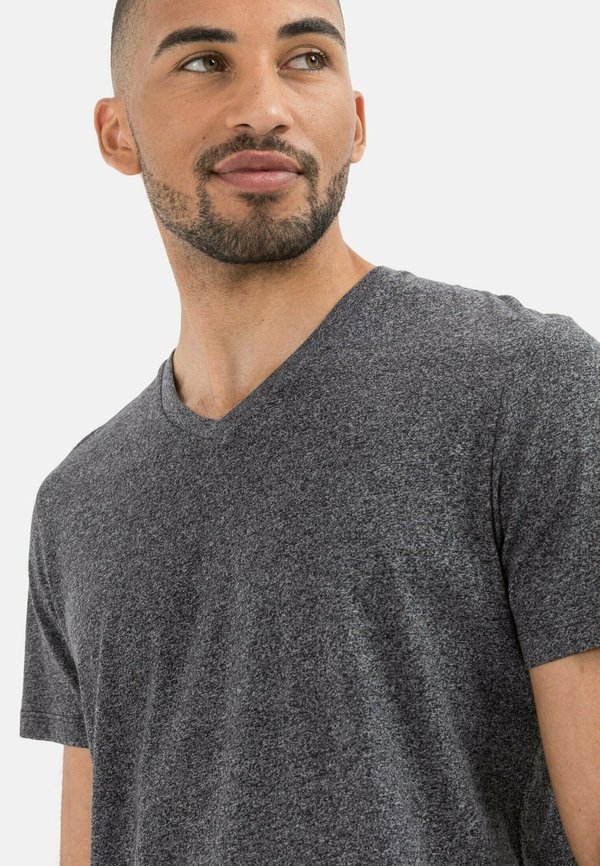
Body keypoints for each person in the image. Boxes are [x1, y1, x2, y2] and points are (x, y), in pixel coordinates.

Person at [19, 0, 600, 864]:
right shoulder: (77, 504)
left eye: (306, 59)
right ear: (118, 133)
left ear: (356, 122)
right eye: (204, 62)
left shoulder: (530, 391)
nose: (265, 106)